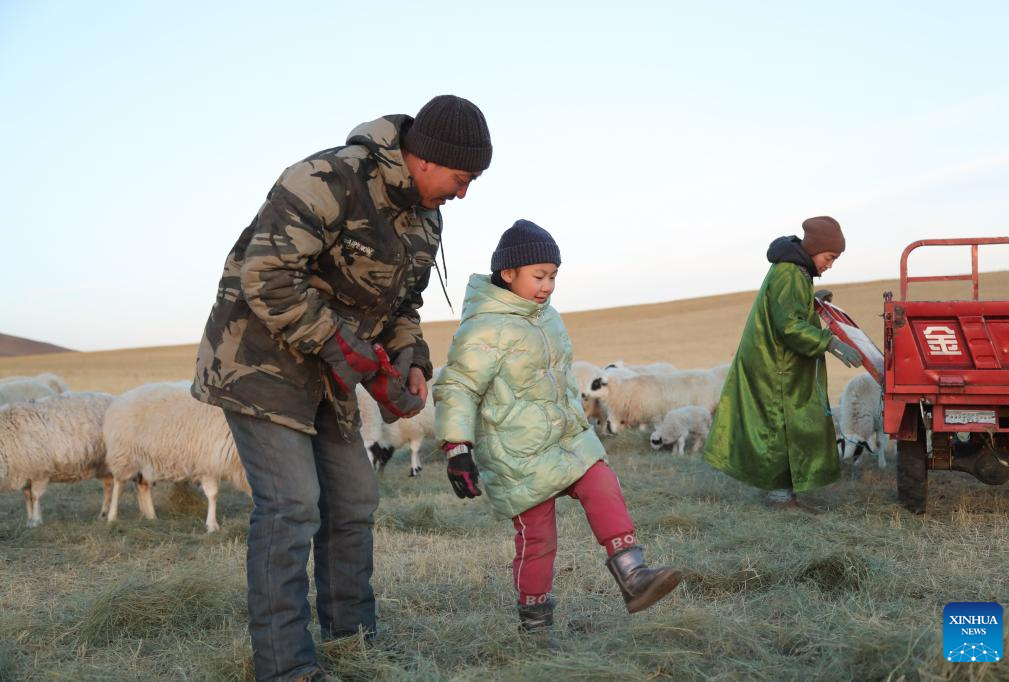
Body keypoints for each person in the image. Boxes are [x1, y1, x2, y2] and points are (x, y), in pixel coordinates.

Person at [191, 94, 492, 681]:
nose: (464, 193)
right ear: (426, 158)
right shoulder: (326, 178)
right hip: (259, 362)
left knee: (354, 499)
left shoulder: (426, 218)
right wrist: (343, 346)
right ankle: (286, 667)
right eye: (462, 177)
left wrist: (410, 361)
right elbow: (267, 276)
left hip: (331, 375)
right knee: (293, 504)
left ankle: (353, 642)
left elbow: (405, 304)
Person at [433, 220, 683, 632]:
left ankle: (634, 575)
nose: (548, 285)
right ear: (508, 273)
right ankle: (535, 625)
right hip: (518, 454)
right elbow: (457, 386)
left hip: (568, 439)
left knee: (602, 482)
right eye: (539, 276)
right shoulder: (482, 328)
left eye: (553, 276)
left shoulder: (548, 318)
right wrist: (457, 447)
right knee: (538, 541)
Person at [703, 216, 862, 510]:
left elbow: (788, 309)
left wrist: (811, 300)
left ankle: (784, 493)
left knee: (786, 427)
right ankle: (780, 497)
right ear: (814, 249)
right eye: (829, 257)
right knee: (781, 427)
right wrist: (829, 342)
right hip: (776, 367)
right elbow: (788, 325)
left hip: (779, 364)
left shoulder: (795, 271)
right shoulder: (789, 273)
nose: (830, 265)